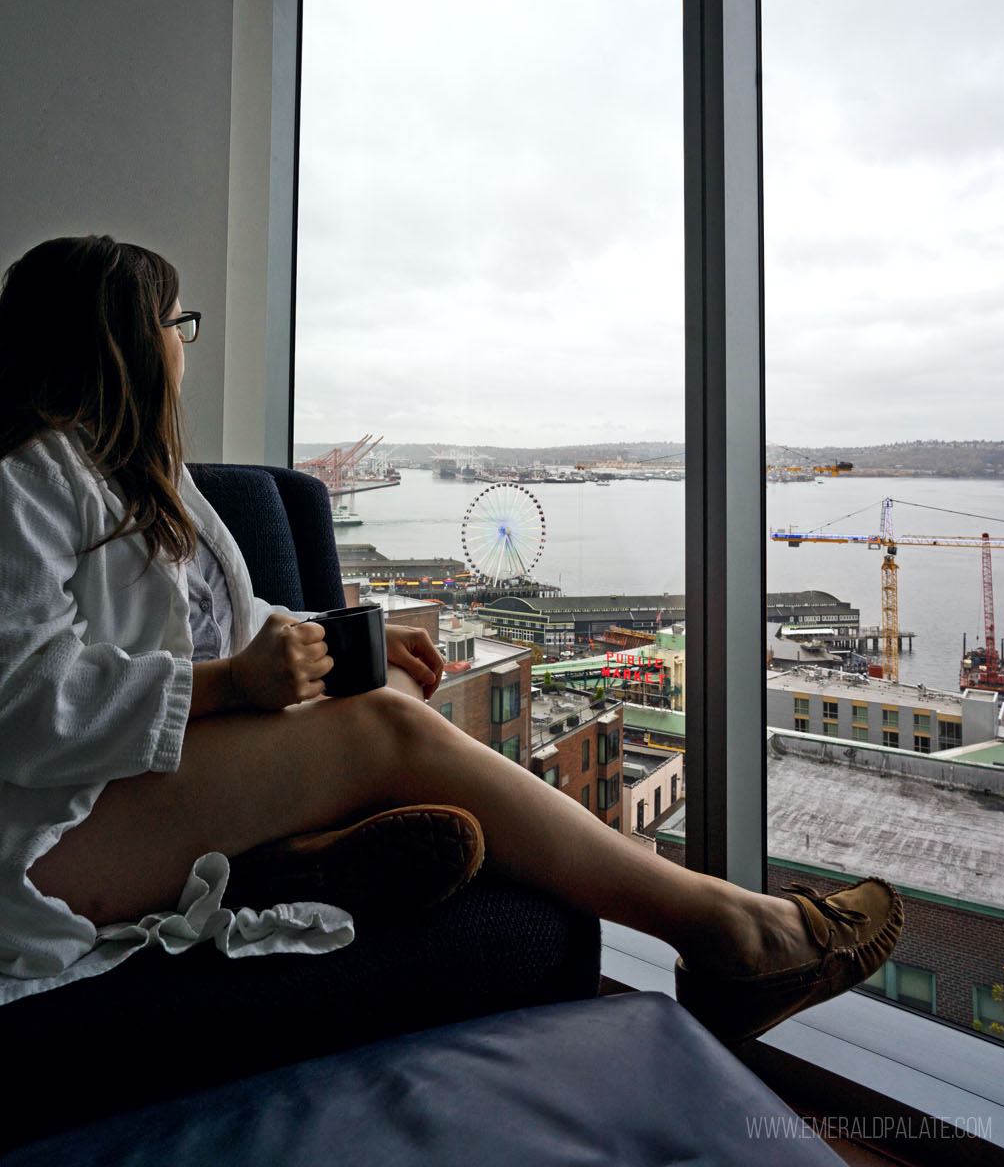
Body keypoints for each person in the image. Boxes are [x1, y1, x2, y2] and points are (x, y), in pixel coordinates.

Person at [0, 235, 903, 1041]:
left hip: (130, 790)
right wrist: (233, 687)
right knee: (382, 731)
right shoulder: (24, 478)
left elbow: (220, 625)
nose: (181, 344)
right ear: (120, 339)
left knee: (381, 693)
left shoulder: (148, 479)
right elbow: (23, 701)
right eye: (173, 323)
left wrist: (345, 641)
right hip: (51, 838)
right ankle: (735, 934)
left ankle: (288, 864)